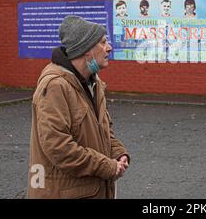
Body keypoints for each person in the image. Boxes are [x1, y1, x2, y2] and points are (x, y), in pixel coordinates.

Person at [28, 15, 130, 199]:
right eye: (103, 42)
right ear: (86, 50)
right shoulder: (55, 86)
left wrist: (118, 153)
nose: (109, 48)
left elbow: (104, 131)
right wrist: (107, 166)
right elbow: (58, 148)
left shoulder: (94, 82)